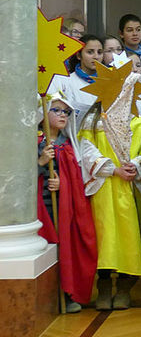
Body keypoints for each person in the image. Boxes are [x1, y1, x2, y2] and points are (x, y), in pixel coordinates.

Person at [78, 66, 141, 311]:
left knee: (129, 236)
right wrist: (112, 169)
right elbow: (87, 151)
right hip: (104, 188)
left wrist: (136, 165)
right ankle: (105, 284)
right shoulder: (93, 121)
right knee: (105, 237)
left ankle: (126, 286)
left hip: (129, 188)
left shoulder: (138, 123)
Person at [36, 92, 98, 313]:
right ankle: (49, 295)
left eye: (66, 112)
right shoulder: (36, 143)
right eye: (57, 110)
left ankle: (66, 293)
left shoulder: (67, 144)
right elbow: (21, 179)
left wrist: (63, 184)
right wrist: (41, 163)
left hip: (64, 207)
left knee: (66, 249)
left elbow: (73, 177)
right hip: (41, 208)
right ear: (43, 114)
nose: (63, 115)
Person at [50, 33, 104, 129]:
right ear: (79, 55)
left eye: (100, 52)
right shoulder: (63, 80)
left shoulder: (109, 82)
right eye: (90, 52)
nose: (96, 56)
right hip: (71, 139)